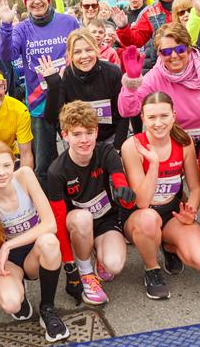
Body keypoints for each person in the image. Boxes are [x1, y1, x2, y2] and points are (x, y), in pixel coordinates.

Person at [0, 140, 69, 342]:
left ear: (14, 164)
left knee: (50, 242)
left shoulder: (24, 176)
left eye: (6, 165)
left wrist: (8, 244)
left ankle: (47, 307)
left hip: (33, 253)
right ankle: (18, 291)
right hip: (8, 262)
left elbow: (50, 224)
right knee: (12, 303)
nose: (2, 172)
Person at [120, 92, 200, 299]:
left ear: (174, 115)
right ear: (143, 118)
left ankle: (167, 245)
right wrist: (154, 164)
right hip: (140, 216)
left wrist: (191, 212)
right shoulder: (132, 146)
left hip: (171, 212)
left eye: (164, 116)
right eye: (152, 117)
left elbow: (196, 189)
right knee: (149, 219)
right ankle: (152, 268)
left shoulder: (184, 142)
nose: (158, 123)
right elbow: (142, 201)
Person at [0, 0, 80, 185]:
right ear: (25, 1)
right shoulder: (21, 29)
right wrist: (5, 26)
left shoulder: (68, 22)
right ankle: (49, 207)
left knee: (79, 155)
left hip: (69, 100)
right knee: (44, 164)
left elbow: (83, 49)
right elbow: (6, 55)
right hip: (39, 105)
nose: (37, 1)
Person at [46, 101, 137, 305]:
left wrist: (125, 195)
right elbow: (59, 222)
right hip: (77, 224)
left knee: (114, 265)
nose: (84, 140)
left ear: (96, 132)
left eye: (89, 132)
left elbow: (118, 179)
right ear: (65, 135)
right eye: (77, 134)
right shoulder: (56, 171)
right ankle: (86, 272)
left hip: (105, 220)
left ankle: (100, 256)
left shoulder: (106, 152)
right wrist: (69, 266)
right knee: (83, 218)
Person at [119, 23, 200, 148]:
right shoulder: (154, 78)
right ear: (159, 53)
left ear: (188, 48)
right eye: (166, 52)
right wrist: (131, 84)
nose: (174, 56)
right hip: (174, 144)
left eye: (180, 50)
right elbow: (128, 111)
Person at [42, 28, 128, 150]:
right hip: (78, 142)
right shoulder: (65, 75)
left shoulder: (113, 72)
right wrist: (53, 86)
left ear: (96, 50)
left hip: (109, 139)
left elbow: (122, 114)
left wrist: (118, 148)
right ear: (70, 55)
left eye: (88, 50)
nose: (84, 56)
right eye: (77, 52)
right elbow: (52, 118)